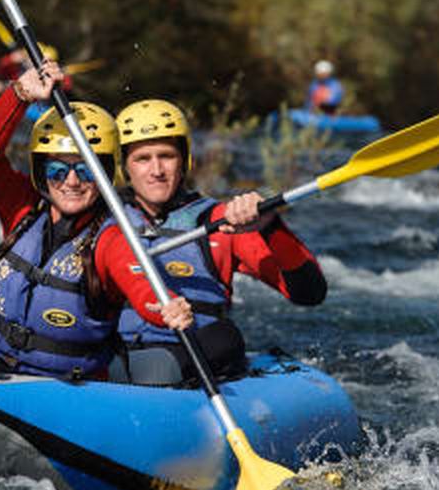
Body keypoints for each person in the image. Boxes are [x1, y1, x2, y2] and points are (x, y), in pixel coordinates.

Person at [0, 63, 193, 378]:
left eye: (86, 170)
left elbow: (140, 284)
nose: (71, 182)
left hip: (68, 389)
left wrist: (165, 307)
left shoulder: (111, 237)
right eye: (58, 169)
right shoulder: (21, 209)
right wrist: (19, 94)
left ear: (106, 173)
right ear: (40, 172)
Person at [110, 99, 327, 384]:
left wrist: (269, 226)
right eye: (142, 159)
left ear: (185, 160)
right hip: (116, 353)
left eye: (166, 156)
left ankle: (160, 373)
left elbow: (309, 292)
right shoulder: (104, 220)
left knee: (226, 339)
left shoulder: (221, 221)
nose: (156, 170)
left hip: (196, 358)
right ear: (124, 166)